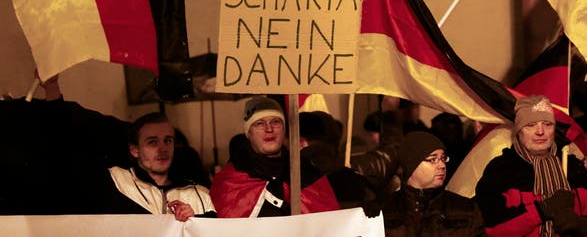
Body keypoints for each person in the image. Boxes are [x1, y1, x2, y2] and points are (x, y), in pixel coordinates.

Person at [475, 95, 587, 237]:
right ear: (518, 131)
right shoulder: (500, 170)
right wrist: (542, 209)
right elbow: (490, 229)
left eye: (547, 124)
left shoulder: (574, 168)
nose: (540, 132)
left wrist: (583, 227)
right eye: (530, 125)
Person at [209, 96, 351, 217]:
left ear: (284, 129)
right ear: (248, 133)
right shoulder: (230, 181)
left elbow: (329, 224)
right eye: (259, 123)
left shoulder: (306, 171)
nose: (269, 129)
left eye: (276, 122)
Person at [107, 112, 216, 220]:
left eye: (167, 141)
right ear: (134, 150)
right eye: (152, 142)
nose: (163, 149)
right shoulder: (117, 180)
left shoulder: (200, 194)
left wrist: (194, 220)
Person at [381, 131, 485, 236]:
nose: (442, 165)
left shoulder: (466, 209)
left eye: (443, 159)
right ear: (411, 165)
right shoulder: (385, 210)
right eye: (432, 159)